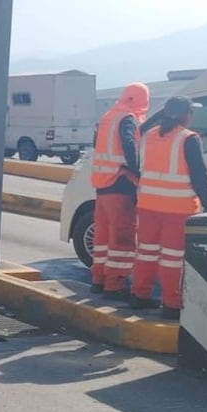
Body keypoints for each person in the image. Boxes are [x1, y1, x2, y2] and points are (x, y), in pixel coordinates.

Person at [130, 96, 207, 320]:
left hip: (147, 205)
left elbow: (143, 130)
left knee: (146, 252)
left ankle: (140, 295)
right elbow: (199, 177)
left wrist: (164, 113)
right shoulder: (188, 138)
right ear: (186, 115)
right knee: (172, 258)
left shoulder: (149, 135)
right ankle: (172, 304)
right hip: (178, 209)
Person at [89, 82, 149, 300]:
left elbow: (97, 145)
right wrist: (137, 172)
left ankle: (98, 280)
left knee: (103, 237)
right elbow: (129, 147)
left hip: (102, 185)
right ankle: (114, 284)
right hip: (121, 183)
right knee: (122, 238)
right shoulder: (127, 118)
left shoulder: (108, 117)